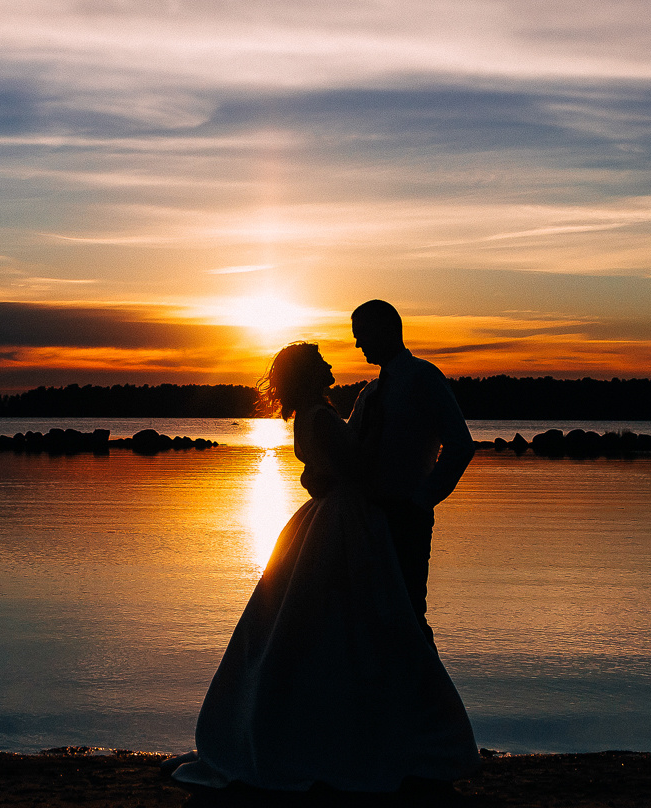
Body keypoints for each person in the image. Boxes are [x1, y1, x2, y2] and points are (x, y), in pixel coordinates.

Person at [171, 342, 479, 792]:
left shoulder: (310, 416)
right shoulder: (317, 416)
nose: (331, 365)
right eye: (321, 362)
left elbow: (331, 465)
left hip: (333, 517)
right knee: (367, 625)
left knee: (330, 628)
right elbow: (355, 468)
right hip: (346, 522)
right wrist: (381, 436)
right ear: (309, 373)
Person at [344, 299, 473, 631]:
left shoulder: (424, 379)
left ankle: (424, 681)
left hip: (407, 519)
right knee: (370, 613)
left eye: (362, 334)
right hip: (368, 520)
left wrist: (421, 500)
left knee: (409, 613)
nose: (358, 344)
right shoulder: (369, 394)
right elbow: (348, 448)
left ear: (386, 330)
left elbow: (460, 444)